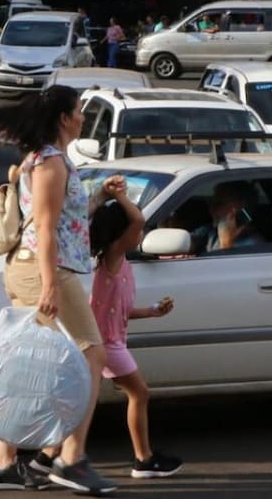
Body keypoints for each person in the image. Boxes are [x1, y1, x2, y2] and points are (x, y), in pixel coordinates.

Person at [0, 85, 119, 494]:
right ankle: (70, 458)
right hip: (44, 270)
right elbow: (44, 227)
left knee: (33, 366)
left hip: (41, 267)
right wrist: (48, 284)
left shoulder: (50, 160)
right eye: (78, 110)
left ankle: (3, 462)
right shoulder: (50, 163)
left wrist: (97, 198)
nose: (82, 117)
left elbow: (63, 221)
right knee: (92, 354)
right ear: (64, 118)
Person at [88, 198, 183, 479]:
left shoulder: (121, 262)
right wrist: (120, 195)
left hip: (108, 340)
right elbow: (138, 220)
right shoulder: (113, 258)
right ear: (123, 233)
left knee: (84, 402)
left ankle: (50, 456)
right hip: (106, 344)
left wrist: (153, 312)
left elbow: (121, 311)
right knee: (139, 393)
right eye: (135, 230)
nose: (141, 233)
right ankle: (143, 459)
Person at [200, 181, 266, 253]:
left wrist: (226, 246)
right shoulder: (213, 231)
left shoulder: (253, 246)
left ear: (235, 208)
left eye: (218, 204)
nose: (211, 209)